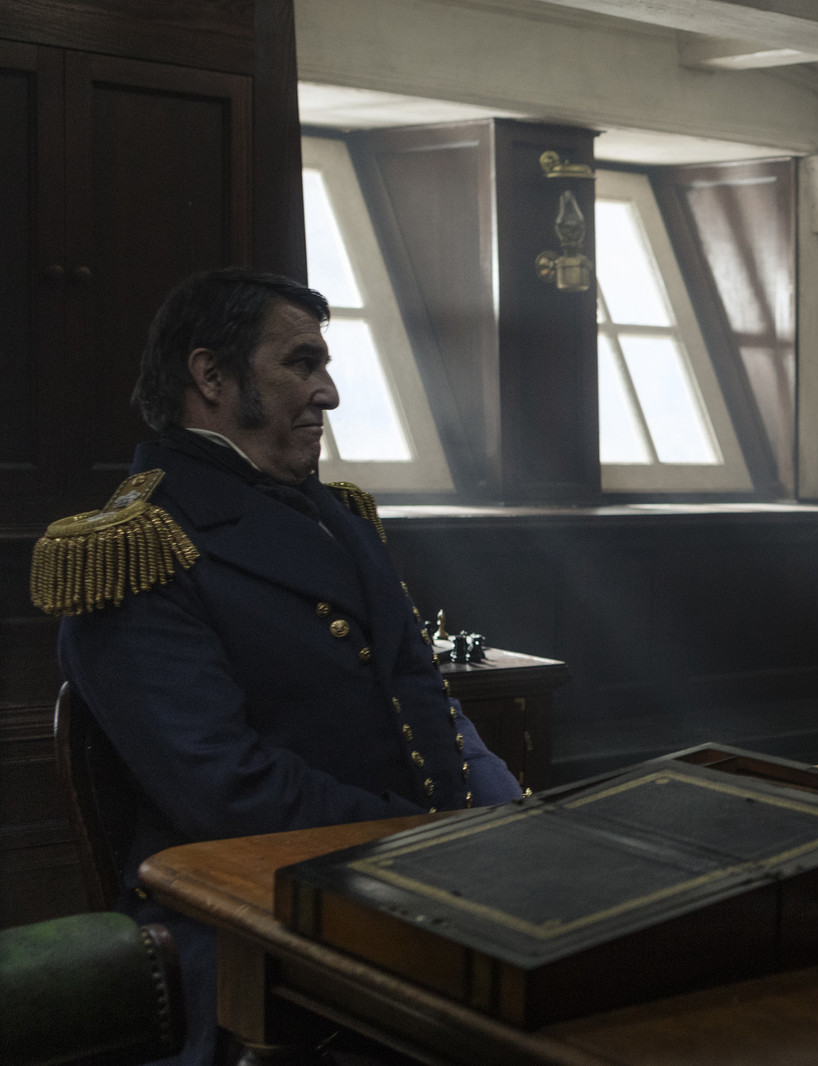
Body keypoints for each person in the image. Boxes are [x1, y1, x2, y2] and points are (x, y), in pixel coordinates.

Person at [32, 269, 524, 1066]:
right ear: (211, 375)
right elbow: (226, 789)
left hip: (416, 887)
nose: (327, 393)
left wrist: (507, 827)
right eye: (301, 363)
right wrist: (421, 846)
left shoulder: (335, 514)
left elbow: (428, 703)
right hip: (255, 926)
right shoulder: (137, 545)